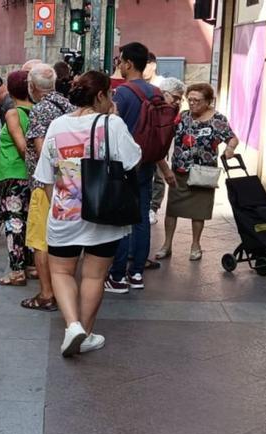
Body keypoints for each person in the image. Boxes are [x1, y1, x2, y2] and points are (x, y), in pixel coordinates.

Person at [34, 71, 141, 357]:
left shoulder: (57, 125)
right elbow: (132, 160)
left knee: (61, 271)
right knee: (94, 277)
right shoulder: (113, 123)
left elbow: (46, 176)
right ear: (101, 95)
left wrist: (58, 204)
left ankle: (72, 326)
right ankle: (88, 332)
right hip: (103, 211)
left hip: (64, 211)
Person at [107, 42, 168, 293]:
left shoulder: (122, 93)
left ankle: (118, 276)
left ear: (129, 63)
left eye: (121, 61)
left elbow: (112, 127)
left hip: (124, 164)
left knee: (122, 220)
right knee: (142, 218)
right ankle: (137, 274)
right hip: (147, 162)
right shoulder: (156, 92)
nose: (119, 65)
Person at [157, 83, 239, 262]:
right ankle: (167, 244)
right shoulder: (182, 117)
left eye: (197, 100)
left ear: (209, 101)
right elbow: (166, 136)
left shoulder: (218, 119)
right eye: (190, 100)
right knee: (172, 209)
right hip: (180, 170)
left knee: (198, 212)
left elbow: (232, 137)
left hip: (203, 173)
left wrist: (230, 148)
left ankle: (195, 244)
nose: (192, 104)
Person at [22, 63, 75, 309]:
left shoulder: (40, 109)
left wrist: (51, 183)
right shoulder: (67, 105)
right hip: (70, 180)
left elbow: (42, 148)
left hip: (47, 184)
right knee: (61, 238)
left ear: (32, 87)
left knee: (39, 239)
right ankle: (63, 286)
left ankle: (46, 294)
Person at [0, 71, 36, 290]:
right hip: (27, 177)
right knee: (27, 222)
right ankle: (29, 264)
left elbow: (21, 146)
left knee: (15, 223)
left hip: (14, 175)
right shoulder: (34, 111)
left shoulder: (13, 113)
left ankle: (17, 270)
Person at [149, 77, 186, 226]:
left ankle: (153, 208)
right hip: (152, 153)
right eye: (175, 97)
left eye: (180, 99)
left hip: (160, 152)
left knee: (158, 179)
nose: (177, 102)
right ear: (165, 93)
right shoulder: (154, 108)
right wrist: (166, 169)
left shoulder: (171, 110)